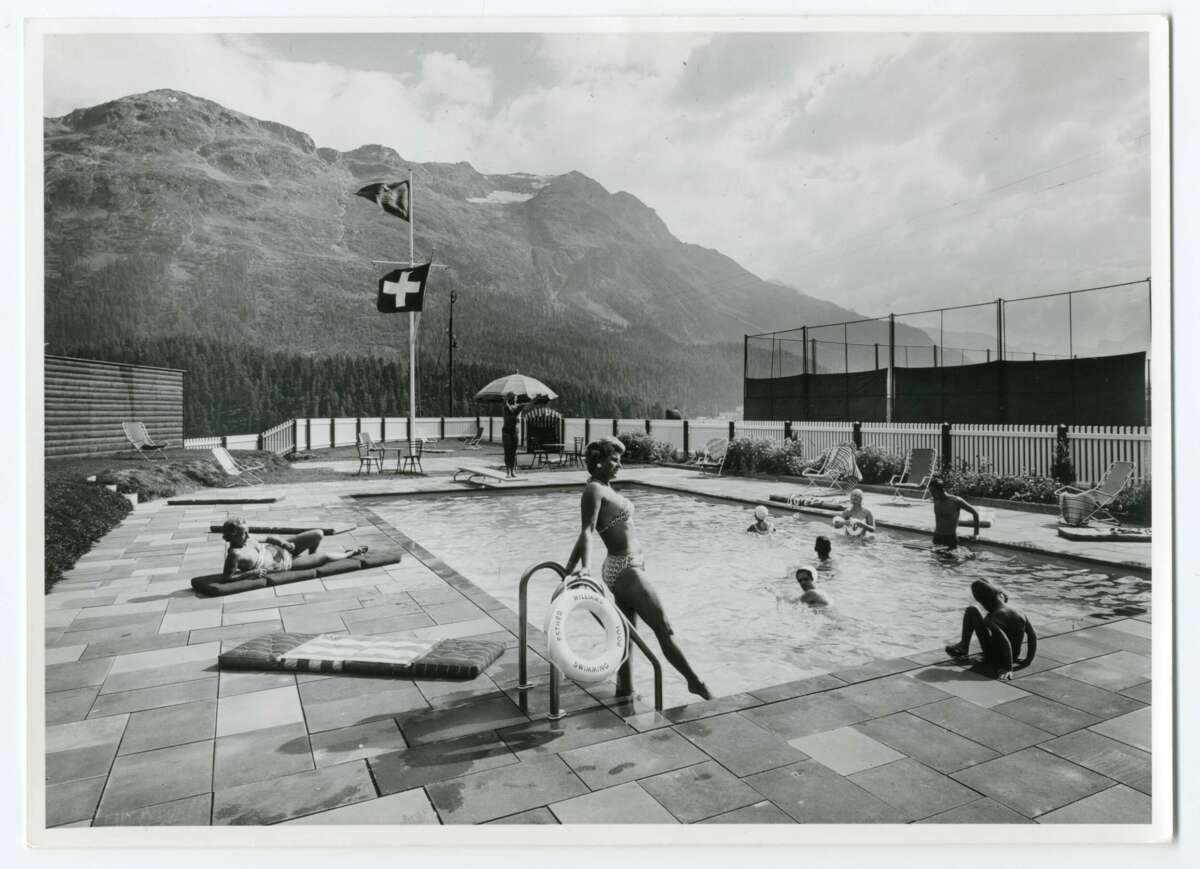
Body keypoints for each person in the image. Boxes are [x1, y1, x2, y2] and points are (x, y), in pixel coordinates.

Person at [564, 436, 711, 700]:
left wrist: (568, 567)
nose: (619, 466)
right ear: (598, 462)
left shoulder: (605, 488)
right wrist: (582, 569)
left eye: (620, 461)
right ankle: (695, 682)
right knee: (663, 627)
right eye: (614, 460)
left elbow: (586, 532)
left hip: (625, 568)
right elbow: (587, 531)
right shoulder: (594, 490)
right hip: (624, 567)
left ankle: (625, 687)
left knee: (626, 634)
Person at [221, 518, 368, 582]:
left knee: (318, 533)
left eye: (247, 531)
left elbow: (268, 539)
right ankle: (351, 553)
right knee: (326, 556)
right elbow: (227, 578)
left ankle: (312, 557)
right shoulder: (235, 554)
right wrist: (252, 573)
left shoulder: (248, 537)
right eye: (243, 533)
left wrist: (283, 543)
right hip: (287, 563)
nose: (247, 535)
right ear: (232, 537)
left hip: (282, 549)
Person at [945, 579, 1037, 680]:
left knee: (972, 610)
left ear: (985, 603)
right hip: (1014, 656)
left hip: (994, 658)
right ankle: (963, 646)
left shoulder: (991, 619)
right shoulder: (1020, 612)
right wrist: (1028, 659)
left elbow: (1005, 641)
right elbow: (1032, 636)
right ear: (1000, 595)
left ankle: (963, 646)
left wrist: (1008, 668)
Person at [929, 477, 980, 549]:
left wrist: (976, 534)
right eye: (930, 491)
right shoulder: (936, 500)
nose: (931, 494)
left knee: (950, 560)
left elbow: (975, 513)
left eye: (933, 491)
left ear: (941, 490)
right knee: (935, 559)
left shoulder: (956, 501)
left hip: (950, 538)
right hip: (937, 537)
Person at [501, 392, 532, 478]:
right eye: (514, 398)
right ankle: (508, 471)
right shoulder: (505, 408)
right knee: (507, 452)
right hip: (506, 433)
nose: (515, 399)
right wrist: (507, 403)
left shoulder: (517, 407)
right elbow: (510, 411)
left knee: (513, 453)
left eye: (516, 398)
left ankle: (512, 471)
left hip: (514, 432)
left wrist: (536, 398)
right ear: (510, 399)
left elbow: (528, 405)